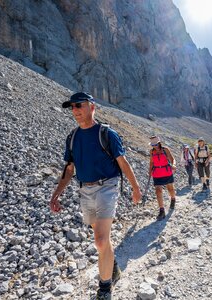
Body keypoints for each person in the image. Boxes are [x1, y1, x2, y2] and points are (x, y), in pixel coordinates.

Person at [50, 92, 142, 300]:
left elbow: (122, 162)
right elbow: (69, 168)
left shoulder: (107, 133)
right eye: (72, 107)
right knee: (102, 238)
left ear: (92, 107)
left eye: (78, 105)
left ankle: (105, 288)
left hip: (107, 187)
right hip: (85, 190)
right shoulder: (72, 137)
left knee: (100, 240)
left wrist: (136, 188)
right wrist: (56, 194)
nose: (75, 110)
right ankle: (113, 265)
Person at [149, 136, 177, 220]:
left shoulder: (165, 149)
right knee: (158, 191)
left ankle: (173, 199)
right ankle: (162, 210)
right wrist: (149, 171)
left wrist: (174, 165)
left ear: (159, 143)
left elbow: (172, 159)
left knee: (170, 189)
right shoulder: (151, 152)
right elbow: (151, 162)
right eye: (153, 145)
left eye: (156, 144)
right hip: (157, 172)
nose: (155, 146)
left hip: (166, 171)